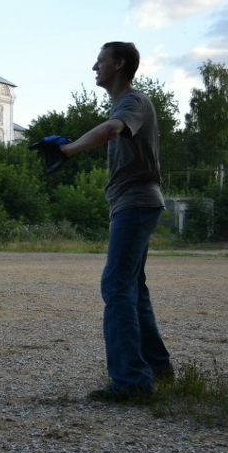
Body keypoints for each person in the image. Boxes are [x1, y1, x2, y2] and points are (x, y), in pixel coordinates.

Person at [59, 42, 172, 400]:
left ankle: (131, 382)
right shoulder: (125, 103)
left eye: (101, 60)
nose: (94, 66)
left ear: (119, 64)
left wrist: (68, 150)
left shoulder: (133, 101)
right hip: (134, 203)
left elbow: (111, 129)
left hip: (136, 203)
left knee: (116, 287)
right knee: (132, 289)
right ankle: (156, 368)